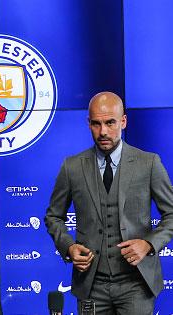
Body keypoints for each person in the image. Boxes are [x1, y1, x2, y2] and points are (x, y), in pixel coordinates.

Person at [45, 91, 173, 314]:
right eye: (96, 124)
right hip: (91, 285)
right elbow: (53, 216)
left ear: (123, 121)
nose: (103, 131)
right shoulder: (72, 167)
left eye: (110, 122)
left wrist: (149, 244)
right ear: (88, 124)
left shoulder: (149, 163)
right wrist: (68, 246)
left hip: (136, 284)